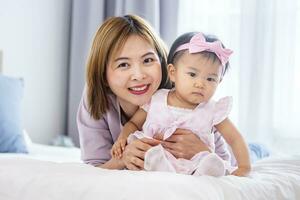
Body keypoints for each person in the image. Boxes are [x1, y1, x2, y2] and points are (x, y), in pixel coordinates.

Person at [77, 15, 233, 170]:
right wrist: (121, 160)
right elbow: (95, 169)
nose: (139, 75)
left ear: (162, 62)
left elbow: (228, 165)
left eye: (148, 60)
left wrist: (203, 151)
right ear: (102, 74)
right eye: (123, 64)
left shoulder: (183, 94)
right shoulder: (96, 98)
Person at [111, 32, 251, 177]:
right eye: (192, 74)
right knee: (148, 152)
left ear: (219, 81)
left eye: (210, 79)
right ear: (172, 73)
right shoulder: (157, 99)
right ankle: (158, 164)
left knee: (208, 162)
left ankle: (207, 172)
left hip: (192, 167)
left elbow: (235, 139)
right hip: (155, 157)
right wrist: (123, 139)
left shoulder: (212, 110)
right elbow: (133, 124)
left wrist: (244, 167)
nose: (200, 84)